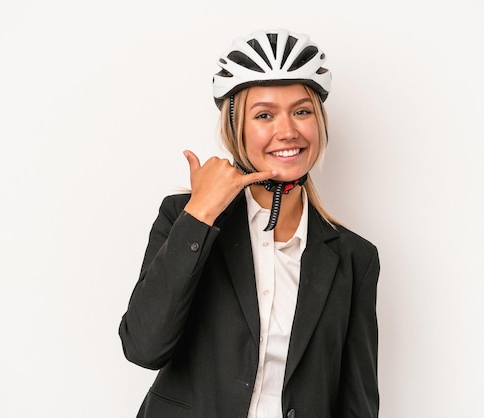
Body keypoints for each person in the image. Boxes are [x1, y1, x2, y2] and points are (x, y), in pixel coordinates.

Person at [119, 28, 380, 418]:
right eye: (264, 115)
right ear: (236, 128)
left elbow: (357, 401)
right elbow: (143, 347)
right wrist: (201, 214)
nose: (287, 131)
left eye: (302, 111)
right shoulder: (183, 217)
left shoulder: (355, 257)